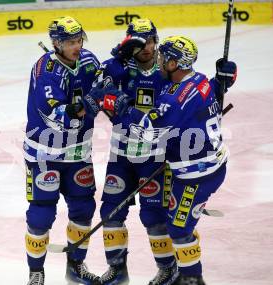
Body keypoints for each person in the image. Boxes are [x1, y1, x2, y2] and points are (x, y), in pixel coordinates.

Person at [92, 35, 237, 285]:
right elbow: (209, 92)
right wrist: (223, 81)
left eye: (163, 57)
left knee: (179, 229)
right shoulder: (200, 81)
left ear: (173, 64)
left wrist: (122, 107)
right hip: (205, 166)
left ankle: (192, 280)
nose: (159, 59)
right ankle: (182, 274)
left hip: (195, 175)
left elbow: (147, 132)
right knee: (176, 223)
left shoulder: (175, 98)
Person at [95, 19, 176, 285]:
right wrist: (116, 65)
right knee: (110, 212)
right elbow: (98, 93)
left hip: (155, 156)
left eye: (149, 41)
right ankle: (117, 270)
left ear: (156, 41)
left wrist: (219, 88)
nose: (145, 48)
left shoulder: (167, 68)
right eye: (138, 43)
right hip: (121, 154)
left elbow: (187, 98)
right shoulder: (118, 67)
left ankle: (168, 269)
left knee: (153, 216)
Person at [23, 16, 102, 285]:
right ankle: (36, 272)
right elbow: (58, 116)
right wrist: (92, 100)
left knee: (83, 209)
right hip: (45, 153)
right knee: (40, 214)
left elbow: (110, 86)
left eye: (79, 39)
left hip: (79, 153)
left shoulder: (89, 61)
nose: (77, 45)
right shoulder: (45, 70)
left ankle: (76, 266)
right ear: (56, 43)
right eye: (70, 42)